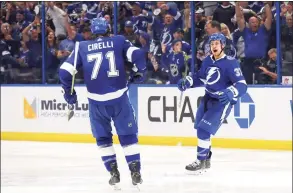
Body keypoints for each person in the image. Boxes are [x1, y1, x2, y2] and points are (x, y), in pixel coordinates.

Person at [59, 17, 146, 188]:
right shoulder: (118, 41)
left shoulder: (81, 46)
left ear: (92, 31)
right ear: (107, 29)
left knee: (103, 139)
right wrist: (140, 72)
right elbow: (137, 54)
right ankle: (135, 171)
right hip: (119, 99)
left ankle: (113, 172)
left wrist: (70, 95)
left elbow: (64, 72)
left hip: (96, 104)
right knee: (128, 136)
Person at [177, 33, 247, 173]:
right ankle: (206, 158)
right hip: (207, 98)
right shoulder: (208, 60)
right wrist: (188, 82)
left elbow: (242, 85)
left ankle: (200, 161)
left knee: (204, 130)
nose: (214, 46)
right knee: (200, 128)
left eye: (217, 43)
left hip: (222, 102)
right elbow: (201, 78)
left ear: (222, 45)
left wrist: (232, 92)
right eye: (212, 43)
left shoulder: (230, 63)